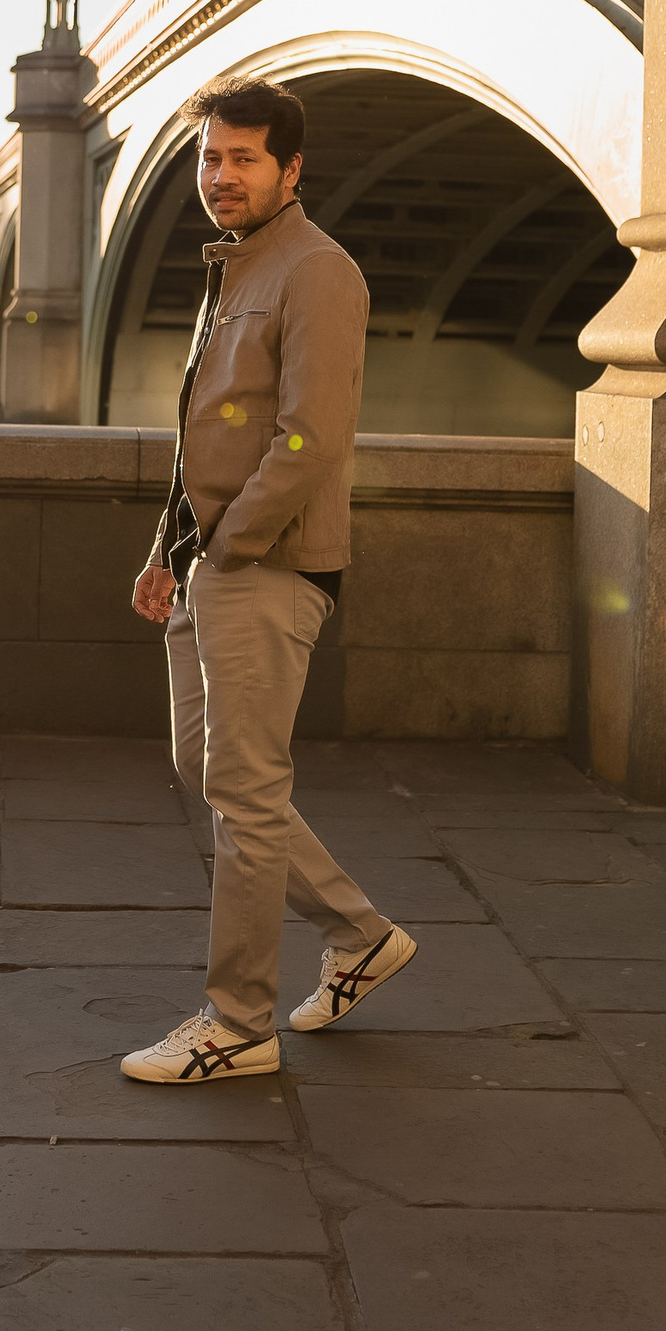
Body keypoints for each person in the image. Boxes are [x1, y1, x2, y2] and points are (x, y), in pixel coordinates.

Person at [118, 78, 418, 1082]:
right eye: (210, 157)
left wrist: (229, 548)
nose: (220, 176)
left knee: (243, 793)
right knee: (207, 769)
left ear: (291, 169)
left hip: (269, 562)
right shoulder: (232, 268)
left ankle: (236, 1022)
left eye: (243, 157)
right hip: (211, 559)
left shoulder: (315, 271)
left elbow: (308, 438)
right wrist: (171, 549)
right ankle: (360, 933)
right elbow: (212, 428)